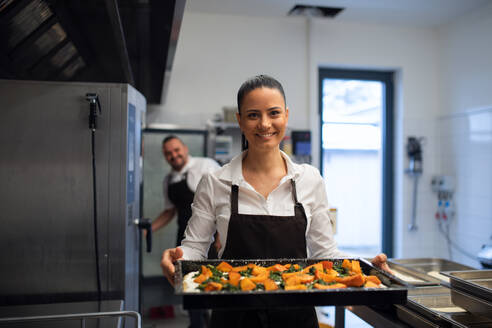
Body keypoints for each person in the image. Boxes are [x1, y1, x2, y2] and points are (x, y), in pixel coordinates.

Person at [160, 75, 392, 328]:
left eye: (274, 113)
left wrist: (367, 270)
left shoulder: (309, 179)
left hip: (296, 318)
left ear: (286, 116)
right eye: (253, 115)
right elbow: (194, 248)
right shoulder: (216, 182)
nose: (265, 124)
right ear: (239, 120)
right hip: (233, 318)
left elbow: (324, 253)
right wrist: (178, 260)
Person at [153, 135, 220, 328]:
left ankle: (214, 321)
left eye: (176, 150)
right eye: (168, 153)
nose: (174, 155)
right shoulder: (168, 180)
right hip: (184, 236)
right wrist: (148, 230)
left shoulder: (205, 166)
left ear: (185, 148)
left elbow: (224, 201)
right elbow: (169, 211)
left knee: (213, 281)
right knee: (189, 283)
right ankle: (196, 324)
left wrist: (221, 235)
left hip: (212, 236)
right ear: (165, 157)